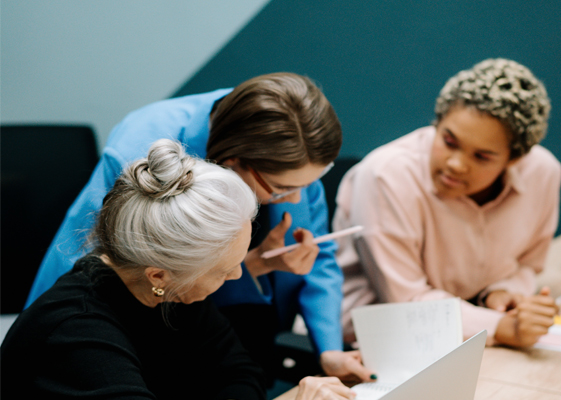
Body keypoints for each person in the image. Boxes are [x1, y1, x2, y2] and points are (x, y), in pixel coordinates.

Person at [25, 73, 373, 383]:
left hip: (219, 333)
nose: (296, 201)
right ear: (233, 162)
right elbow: (106, 275)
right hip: (143, 337)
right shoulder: (142, 150)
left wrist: (328, 350)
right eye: (281, 189)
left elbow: (320, 253)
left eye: (310, 183)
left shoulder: (293, 156)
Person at [2, 140, 358, 400]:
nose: (237, 276)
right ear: (159, 274)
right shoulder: (75, 336)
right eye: (223, 270)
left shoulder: (172, 290)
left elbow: (241, 374)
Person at [334, 59, 561, 347]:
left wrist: (503, 292)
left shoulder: (542, 173)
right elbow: (407, 301)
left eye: (482, 157)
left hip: (475, 326)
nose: (455, 164)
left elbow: (527, 264)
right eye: (449, 141)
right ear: (437, 123)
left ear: (515, 159)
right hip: (378, 343)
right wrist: (500, 326)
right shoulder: (385, 177)